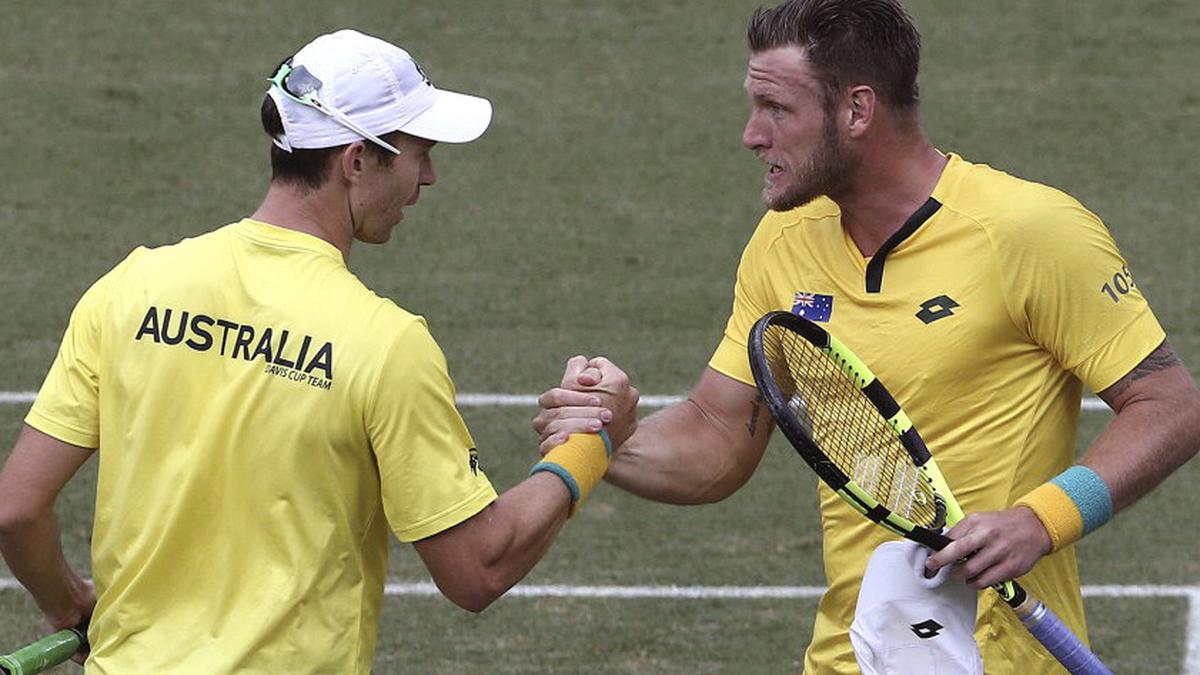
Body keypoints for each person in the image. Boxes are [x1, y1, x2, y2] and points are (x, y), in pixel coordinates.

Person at [533, 1, 1200, 672]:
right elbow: (715, 434)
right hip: (849, 658)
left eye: (776, 108)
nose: (751, 135)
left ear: (856, 110)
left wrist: (1042, 518)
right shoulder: (783, 245)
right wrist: (606, 440)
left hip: (1002, 658)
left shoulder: (1029, 232)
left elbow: (1170, 405)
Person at [0, 29, 622, 673]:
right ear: (356, 160)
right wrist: (591, 445)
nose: (429, 177)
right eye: (420, 152)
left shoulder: (131, 286)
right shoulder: (385, 344)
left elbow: (16, 511)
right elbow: (477, 568)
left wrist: (70, 606)